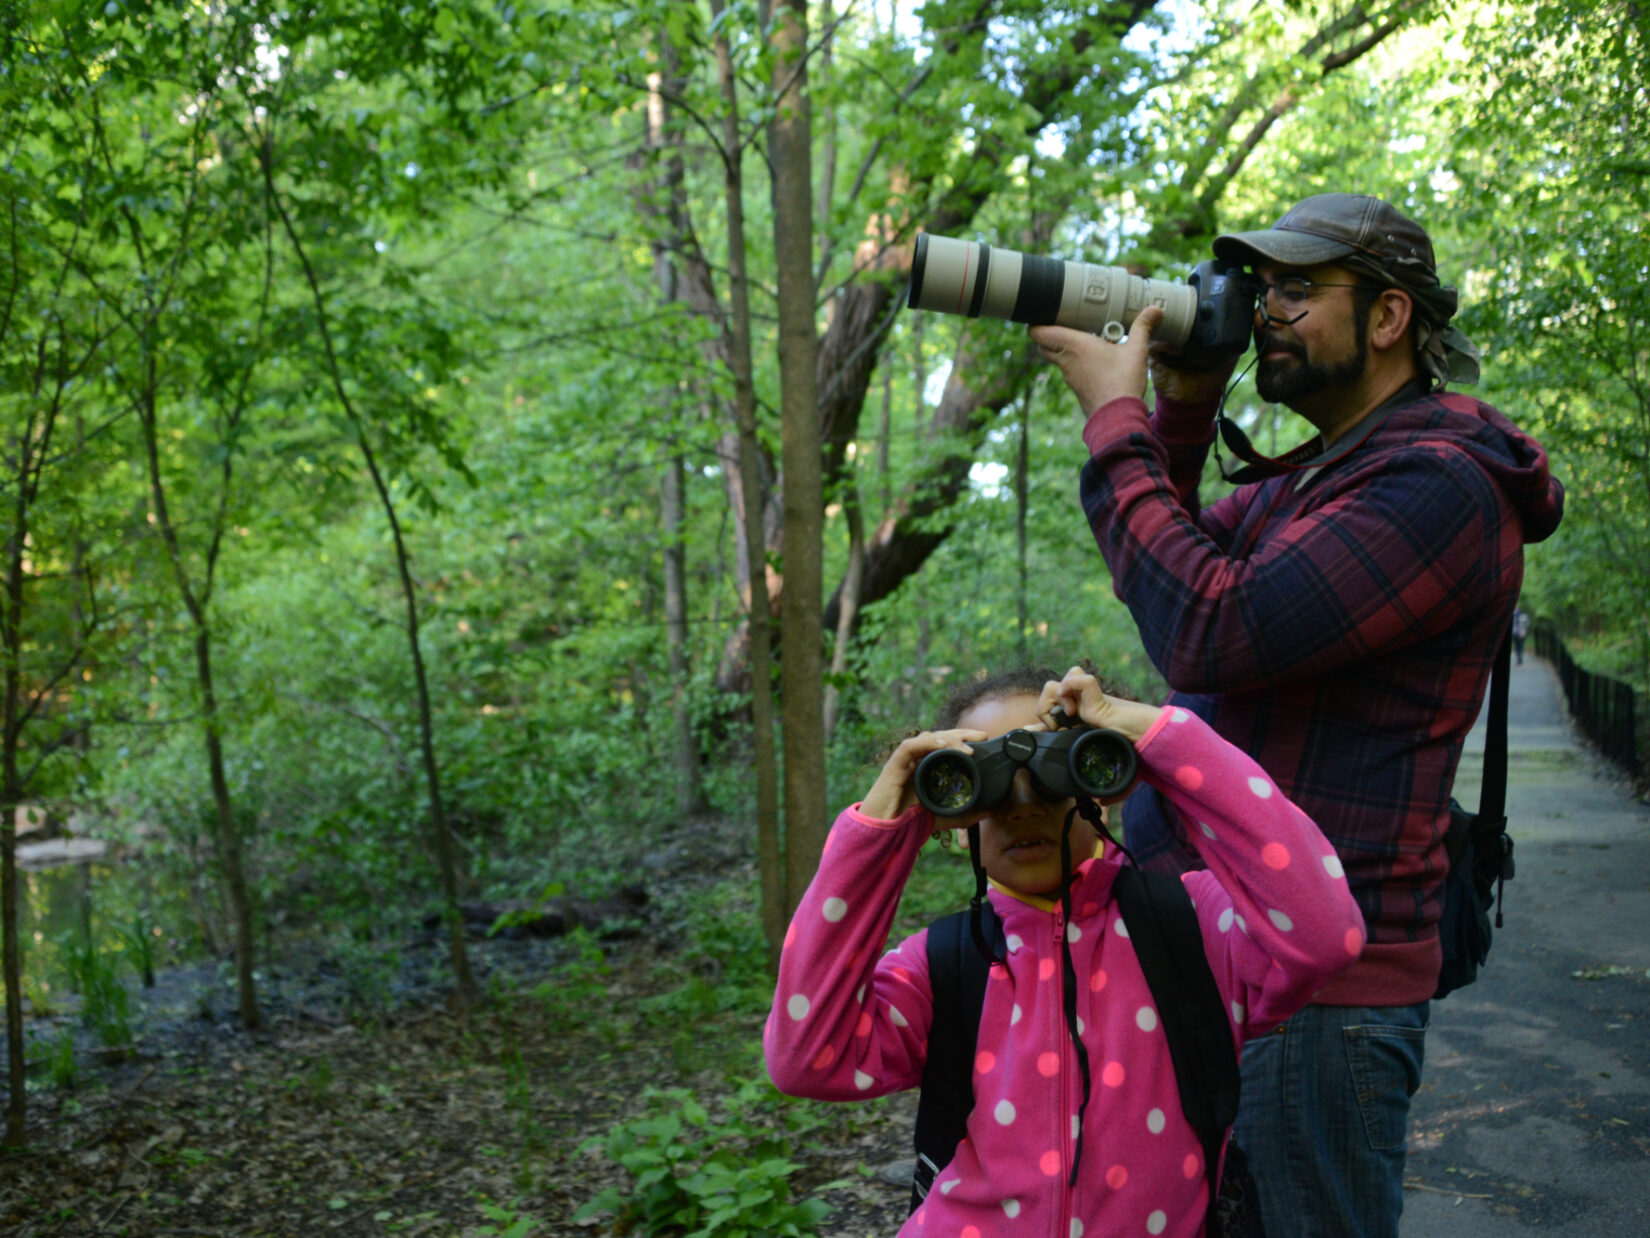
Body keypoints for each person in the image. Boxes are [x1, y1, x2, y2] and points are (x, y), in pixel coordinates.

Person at [1030, 194, 1565, 1238]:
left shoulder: (1437, 483)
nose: (1265, 311)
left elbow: (1204, 630)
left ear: (1388, 317)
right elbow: (1165, 570)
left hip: (1322, 988)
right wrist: (1179, 403)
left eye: (1295, 289)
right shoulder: (1317, 479)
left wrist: (1113, 414)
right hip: (1227, 955)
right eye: (1258, 288)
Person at [765, 664, 1364, 1238]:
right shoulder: (943, 963)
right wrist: (880, 831)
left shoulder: (1194, 927)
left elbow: (1325, 935)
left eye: (1055, 771)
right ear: (954, 814)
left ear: (1100, 781)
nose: (1021, 804)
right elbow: (805, 1056)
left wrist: (1163, 741)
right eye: (987, 784)